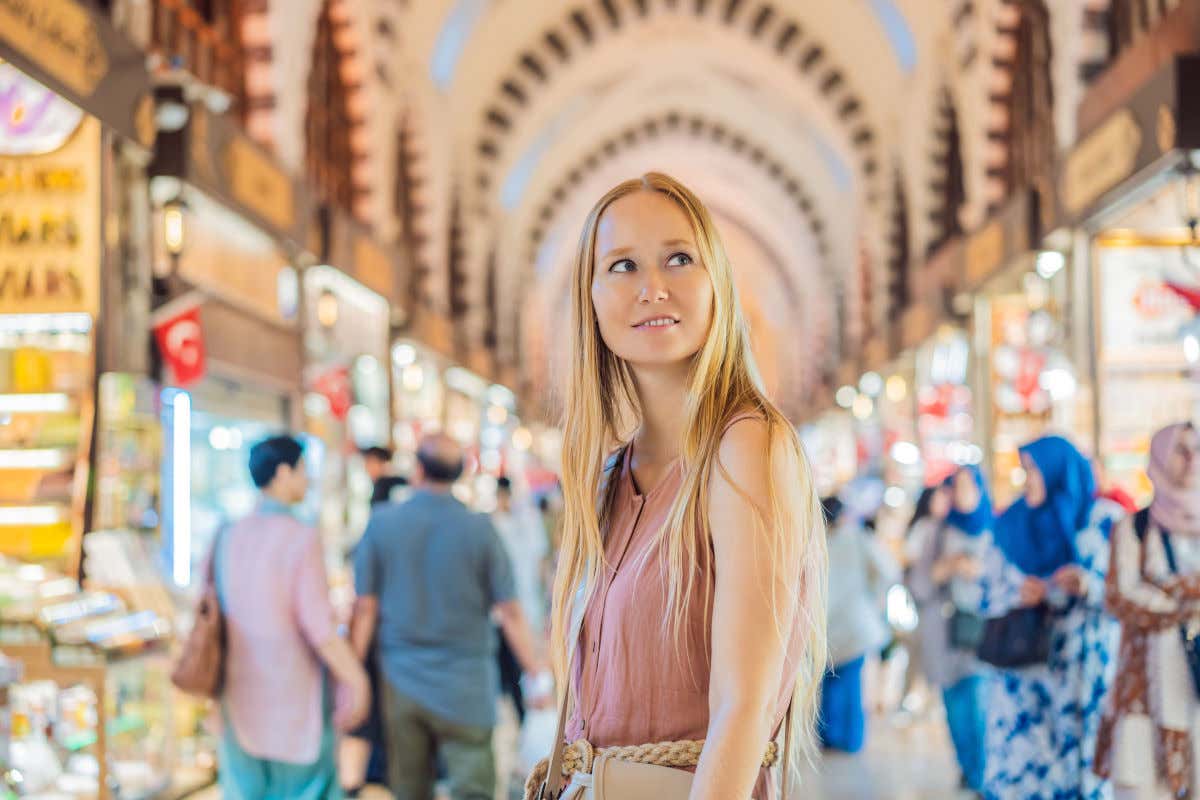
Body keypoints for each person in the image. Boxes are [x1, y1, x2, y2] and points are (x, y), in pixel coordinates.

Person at [528, 173, 828, 800]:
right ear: (591, 295)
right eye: (622, 265)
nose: (652, 287)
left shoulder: (746, 445)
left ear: (716, 279)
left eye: (678, 258)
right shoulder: (608, 479)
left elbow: (742, 706)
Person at [349, 433, 551, 800]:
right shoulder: (480, 528)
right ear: (459, 473)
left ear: (418, 469)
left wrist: (352, 669)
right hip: (467, 683)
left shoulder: (382, 523)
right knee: (473, 787)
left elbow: (365, 607)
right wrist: (535, 671)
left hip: (402, 678)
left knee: (410, 786)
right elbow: (510, 611)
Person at [214, 435, 370, 799]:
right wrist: (356, 679)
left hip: (236, 699)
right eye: (303, 470)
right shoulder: (300, 537)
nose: (308, 479)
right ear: (283, 473)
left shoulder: (228, 534)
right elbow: (320, 628)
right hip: (293, 700)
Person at [970, 435, 1121, 800]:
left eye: (1035, 470)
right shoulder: (1010, 525)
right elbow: (985, 595)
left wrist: (1090, 586)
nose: (1029, 481)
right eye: (1025, 471)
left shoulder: (1106, 522)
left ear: (1060, 471)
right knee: (1026, 776)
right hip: (1023, 673)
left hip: (1084, 674)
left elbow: (1128, 593)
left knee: (1085, 773)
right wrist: (1018, 595)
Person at [1096, 422, 1200, 799]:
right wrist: (1188, 597)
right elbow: (1121, 595)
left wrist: (1165, 590)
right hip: (1144, 686)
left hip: (1195, 686)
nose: (1191, 460)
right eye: (1180, 450)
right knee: (1141, 787)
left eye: (1196, 449)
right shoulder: (1134, 528)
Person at [905, 467, 991, 793]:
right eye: (959, 487)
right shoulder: (935, 532)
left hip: (982, 635)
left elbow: (1006, 585)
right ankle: (968, 768)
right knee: (956, 711)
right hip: (944, 634)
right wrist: (942, 570)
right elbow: (918, 586)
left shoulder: (995, 531)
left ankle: (983, 775)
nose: (964, 494)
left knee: (979, 708)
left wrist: (977, 572)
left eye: (971, 487)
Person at [821, 493, 899, 753]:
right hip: (854, 624)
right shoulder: (858, 538)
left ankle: (829, 738)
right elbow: (889, 571)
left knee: (829, 682)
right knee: (850, 685)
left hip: (824, 626)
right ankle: (851, 740)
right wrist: (875, 594)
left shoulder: (813, 543)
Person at [492, 476, 551, 723]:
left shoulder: (518, 521)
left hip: (518, 607)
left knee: (525, 663)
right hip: (515, 608)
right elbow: (541, 564)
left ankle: (530, 713)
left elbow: (540, 564)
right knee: (522, 663)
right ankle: (528, 712)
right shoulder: (506, 522)